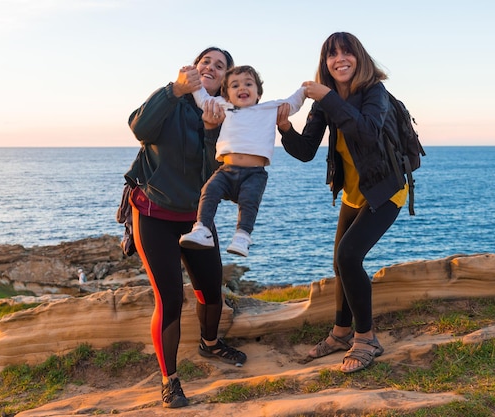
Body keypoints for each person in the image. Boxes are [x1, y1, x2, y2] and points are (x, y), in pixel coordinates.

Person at [276, 32, 408, 373]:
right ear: (326, 64)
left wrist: (326, 97)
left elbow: (366, 131)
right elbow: (306, 151)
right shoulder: (325, 101)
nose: (340, 59)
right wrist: (285, 128)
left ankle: (366, 339)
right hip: (354, 192)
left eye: (346, 52)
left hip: (386, 190)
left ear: (358, 57)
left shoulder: (374, 92)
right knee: (340, 263)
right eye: (332, 55)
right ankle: (340, 333)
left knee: (349, 256)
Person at [124, 46, 247, 409]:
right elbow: (139, 128)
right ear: (193, 69)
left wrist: (211, 131)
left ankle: (210, 344)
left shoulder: (225, 116)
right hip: (153, 214)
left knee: (211, 290)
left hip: (196, 221)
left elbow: (216, 176)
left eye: (219, 65)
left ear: (225, 80)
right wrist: (172, 90)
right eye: (205, 61)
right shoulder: (171, 99)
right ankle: (170, 380)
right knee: (170, 300)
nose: (210, 67)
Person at [179, 65, 307, 257]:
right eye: (235, 85)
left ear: (258, 93)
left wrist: (305, 90)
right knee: (209, 191)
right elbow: (203, 99)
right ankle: (202, 229)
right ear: (227, 94)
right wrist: (194, 78)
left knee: (249, 201)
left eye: (248, 84)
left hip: (255, 172)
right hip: (226, 169)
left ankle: (243, 235)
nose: (242, 88)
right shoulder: (224, 106)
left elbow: (292, 104)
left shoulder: (269, 108)